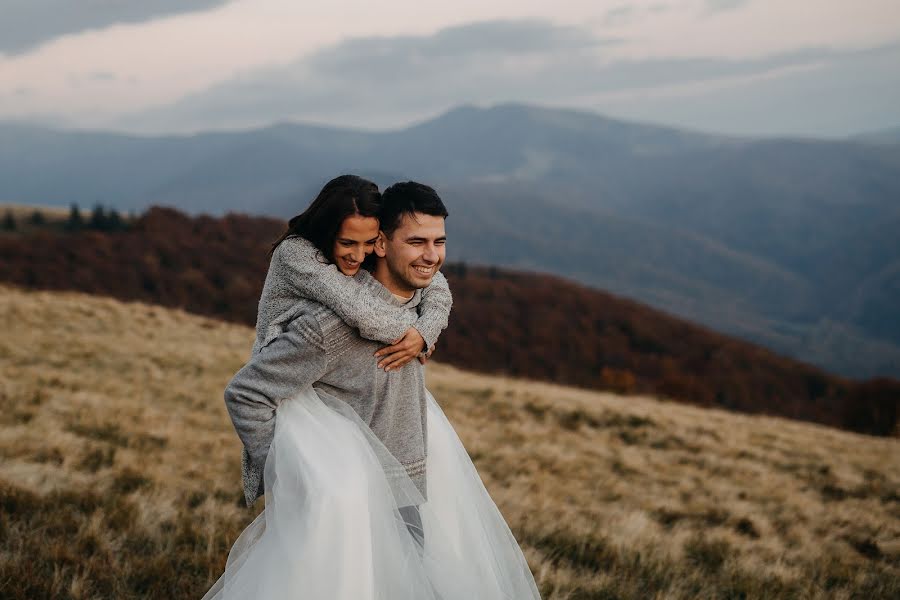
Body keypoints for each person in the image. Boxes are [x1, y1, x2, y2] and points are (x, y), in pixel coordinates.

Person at [203, 181, 541, 599]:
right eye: (416, 241)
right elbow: (246, 394)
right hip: (354, 505)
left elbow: (436, 285)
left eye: (439, 242)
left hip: (408, 483)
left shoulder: (415, 304)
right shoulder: (328, 323)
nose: (432, 254)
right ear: (383, 244)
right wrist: (295, 471)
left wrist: (425, 327)